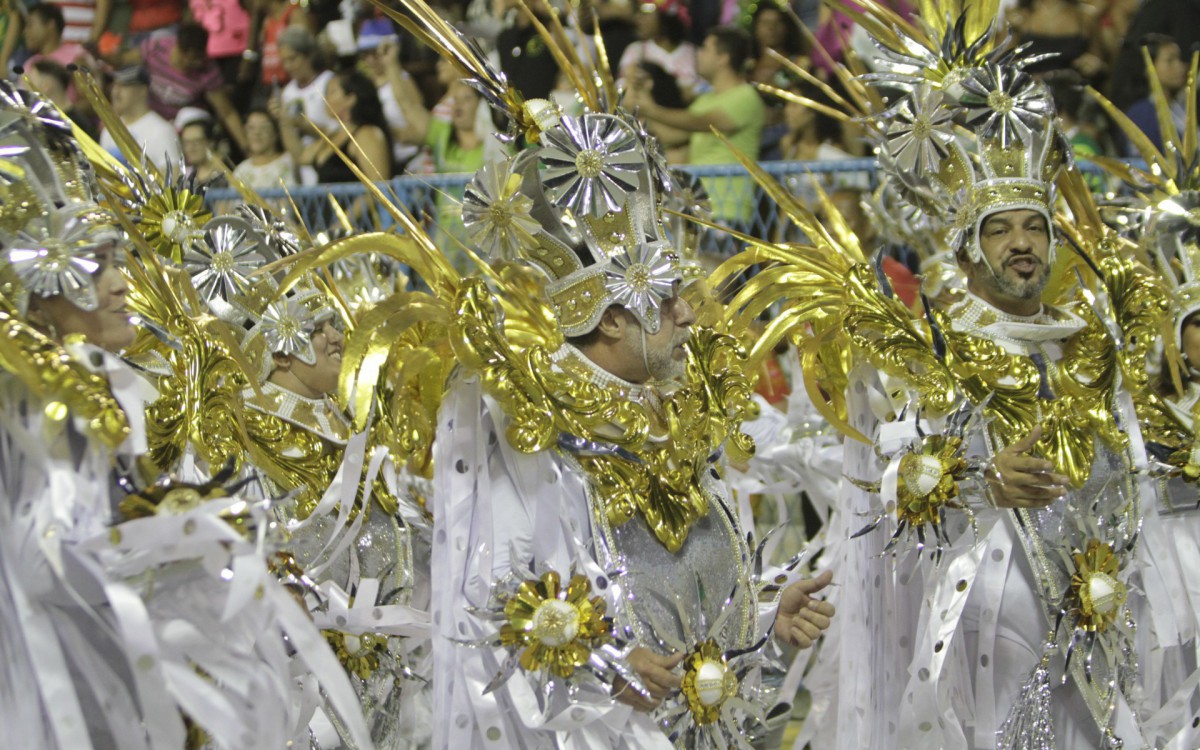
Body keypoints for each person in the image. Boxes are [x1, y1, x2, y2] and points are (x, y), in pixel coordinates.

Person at [735, 2, 1177, 747]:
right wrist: (980, 480)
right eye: (999, 229)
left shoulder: (1089, 347)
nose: (1023, 243)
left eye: (1034, 225)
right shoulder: (936, 354)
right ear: (968, 252)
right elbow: (896, 488)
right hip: (985, 623)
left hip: (1099, 615)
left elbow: (1130, 475)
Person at [628, 25, 765, 250]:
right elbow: (674, 134)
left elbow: (702, 123)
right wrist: (640, 103)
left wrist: (650, 109)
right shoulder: (706, 100)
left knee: (717, 283)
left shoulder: (746, 96)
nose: (698, 54)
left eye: (705, 49)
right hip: (697, 210)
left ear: (723, 58)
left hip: (727, 209)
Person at [113, 21, 248, 153]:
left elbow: (227, 112)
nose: (197, 63)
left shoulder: (208, 70)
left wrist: (246, 147)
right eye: (192, 58)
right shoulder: (157, 48)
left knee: (188, 114)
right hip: (150, 117)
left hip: (180, 127)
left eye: (200, 58)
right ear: (179, 48)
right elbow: (123, 60)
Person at [279, 68, 392, 185]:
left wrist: (356, 204)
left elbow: (378, 184)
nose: (325, 98)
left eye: (332, 92)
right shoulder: (334, 134)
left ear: (350, 99)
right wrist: (284, 119)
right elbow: (301, 157)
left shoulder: (368, 134)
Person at [269, 25, 336, 185]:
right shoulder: (286, 93)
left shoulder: (329, 82)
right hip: (304, 172)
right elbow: (291, 147)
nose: (288, 66)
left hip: (331, 165)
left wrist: (300, 123)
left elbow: (340, 131)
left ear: (309, 56)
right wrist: (283, 120)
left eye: (292, 59)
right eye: (284, 61)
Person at [358, 21, 420, 171]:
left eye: (375, 53)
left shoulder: (403, 80)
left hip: (410, 162)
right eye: (365, 54)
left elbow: (420, 127)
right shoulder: (364, 86)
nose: (370, 60)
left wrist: (389, 131)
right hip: (382, 162)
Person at [99, 65, 182, 170]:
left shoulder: (162, 131)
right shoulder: (109, 130)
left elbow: (172, 179)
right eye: (115, 85)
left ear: (143, 91)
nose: (116, 92)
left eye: (124, 86)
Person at [1122, 34, 1191, 156]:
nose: (1180, 66)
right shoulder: (1142, 114)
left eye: (1179, 59)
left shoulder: (1181, 106)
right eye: (1170, 60)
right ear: (1149, 68)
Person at [616, 0, 697, 93]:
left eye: (645, 12)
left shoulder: (693, 52)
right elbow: (620, 88)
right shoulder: (636, 50)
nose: (638, 18)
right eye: (638, 12)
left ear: (665, 16)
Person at [13, 3, 90, 76]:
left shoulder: (77, 57)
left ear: (50, 25)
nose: (25, 32)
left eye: (30, 25)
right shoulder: (30, 64)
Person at [232, 106, 296, 189]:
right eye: (251, 128)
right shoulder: (241, 170)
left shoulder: (289, 161)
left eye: (264, 128)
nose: (257, 133)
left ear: (276, 133)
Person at [179, 116, 228, 186]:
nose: (190, 148)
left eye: (196, 142)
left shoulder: (225, 174)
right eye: (186, 143)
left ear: (211, 142)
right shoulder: (185, 176)